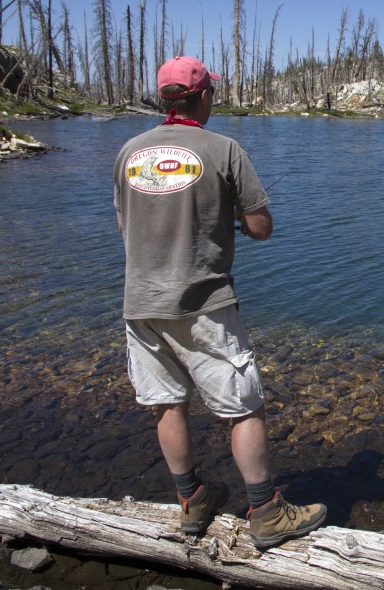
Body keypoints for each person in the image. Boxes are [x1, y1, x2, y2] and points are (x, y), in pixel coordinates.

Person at [113, 56, 326, 549]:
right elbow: (261, 228)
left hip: (140, 304)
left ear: (164, 100)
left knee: (167, 403)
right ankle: (267, 512)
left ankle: (192, 501)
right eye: (213, 92)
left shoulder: (128, 150)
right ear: (203, 95)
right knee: (244, 407)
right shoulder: (224, 149)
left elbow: (126, 227)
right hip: (204, 303)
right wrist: (227, 214)